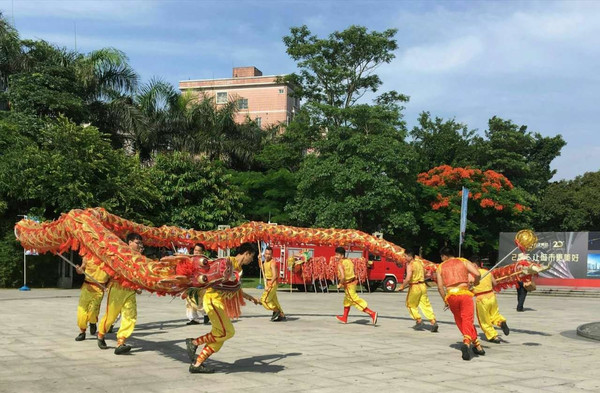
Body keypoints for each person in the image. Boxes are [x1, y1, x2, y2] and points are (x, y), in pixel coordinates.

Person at [185, 242, 261, 374]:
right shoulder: (228, 263)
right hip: (213, 301)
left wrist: (251, 298)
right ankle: (194, 342)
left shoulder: (237, 268)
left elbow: (235, 288)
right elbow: (215, 278)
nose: (252, 260)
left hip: (218, 302)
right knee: (228, 332)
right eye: (252, 256)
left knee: (220, 338)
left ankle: (197, 364)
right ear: (247, 253)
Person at [97, 233, 143, 355]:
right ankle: (101, 334)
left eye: (140, 243)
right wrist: (107, 283)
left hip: (130, 290)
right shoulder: (119, 253)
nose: (139, 246)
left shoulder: (140, 258)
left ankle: (121, 342)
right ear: (129, 243)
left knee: (130, 315)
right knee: (111, 316)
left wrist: (138, 286)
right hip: (117, 288)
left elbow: (138, 274)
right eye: (137, 243)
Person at [436, 247, 485, 361]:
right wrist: (476, 282)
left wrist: (445, 300)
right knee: (467, 319)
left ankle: (477, 345)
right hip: (464, 294)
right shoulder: (463, 261)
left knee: (460, 321)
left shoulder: (441, 267)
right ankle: (467, 342)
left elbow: (439, 287)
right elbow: (477, 274)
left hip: (451, 296)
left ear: (444, 256)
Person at [470, 256, 509, 343]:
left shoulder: (472, 275)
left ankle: (493, 336)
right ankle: (501, 322)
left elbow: (469, 287)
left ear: (474, 265)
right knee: (494, 314)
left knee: (484, 320)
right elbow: (495, 283)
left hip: (481, 299)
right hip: (492, 296)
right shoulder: (488, 272)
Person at [335, 247, 378, 325]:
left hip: (348, 285)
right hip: (353, 283)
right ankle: (344, 317)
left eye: (337, 255)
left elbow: (343, 276)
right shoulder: (349, 261)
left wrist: (340, 284)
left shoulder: (340, 263)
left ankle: (372, 313)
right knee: (347, 301)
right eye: (336, 254)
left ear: (341, 255)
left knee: (355, 300)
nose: (336, 256)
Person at [398, 250, 438, 332]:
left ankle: (419, 320)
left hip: (415, 287)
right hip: (423, 286)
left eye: (405, 256)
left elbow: (408, 278)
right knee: (425, 304)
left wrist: (402, 286)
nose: (404, 258)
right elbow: (425, 274)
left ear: (410, 257)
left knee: (410, 304)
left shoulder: (410, 265)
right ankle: (433, 321)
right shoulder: (420, 263)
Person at [74, 257, 110, 341]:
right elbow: (81, 270)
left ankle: (93, 322)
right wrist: (79, 269)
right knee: (82, 310)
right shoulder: (87, 257)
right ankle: (82, 331)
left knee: (93, 310)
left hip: (99, 288)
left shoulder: (107, 258)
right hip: (87, 287)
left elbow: (111, 275)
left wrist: (108, 286)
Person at [185, 244, 210, 325]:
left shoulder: (205, 261)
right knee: (188, 302)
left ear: (202, 252)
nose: (197, 252)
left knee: (196, 301)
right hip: (190, 283)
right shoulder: (190, 259)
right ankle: (193, 318)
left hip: (201, 284)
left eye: (199, 251)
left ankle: (206, 313)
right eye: (195, 250)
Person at [260, 246, 286, 322]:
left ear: (272, 255)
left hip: (272, 283)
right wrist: (259, 259)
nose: (267, 255)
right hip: (268, 282)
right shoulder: (265, 261)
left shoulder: (272, 263)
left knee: (264, 300)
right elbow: (261, 268)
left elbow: (275, 275)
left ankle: (276, 310)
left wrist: (269, 285)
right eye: (266, 253)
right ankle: (282, 315)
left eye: (269, 254)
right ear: (264, 254)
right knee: (275, 301)